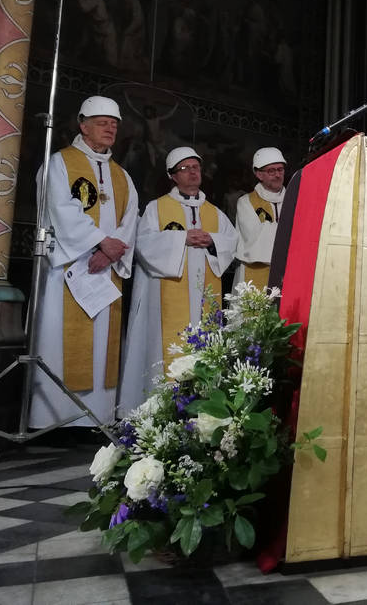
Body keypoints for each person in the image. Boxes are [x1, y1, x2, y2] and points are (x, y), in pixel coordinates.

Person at [29, 96, 138, 429]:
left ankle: (95, 419)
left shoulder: (122, 175)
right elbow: (59, 209)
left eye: (114, 124)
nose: (110, 129)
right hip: (70, 270)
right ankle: (54, 419)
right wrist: (99, 242)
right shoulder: (60, 163)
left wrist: (109, 251)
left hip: (104, 271)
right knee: (60, 343)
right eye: (103, 122)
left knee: (102, 346)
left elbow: (130, 218)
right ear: (83, 125)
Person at [120, 147, 237, 411]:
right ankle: (162, 409)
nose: (193, 172)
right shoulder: (157, 208)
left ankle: (203, 407)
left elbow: (232, 242)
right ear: (172, 175)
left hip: (203, 296)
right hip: (167, 298)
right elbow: (144, 243)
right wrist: (181, 238)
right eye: (185, 168)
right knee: (166, 351)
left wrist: (213, 240)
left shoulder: (214, 212)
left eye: (196, 167)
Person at [234, 147, 286, 289]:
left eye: (280, 169)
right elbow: (254, 237)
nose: (277, 175)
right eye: (271, 171)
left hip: (288, 272)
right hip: (254, 272)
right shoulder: (246, 202)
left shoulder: (294, 199)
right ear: (259, 174)